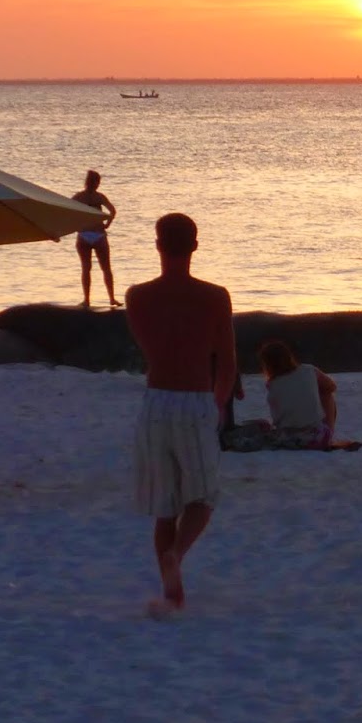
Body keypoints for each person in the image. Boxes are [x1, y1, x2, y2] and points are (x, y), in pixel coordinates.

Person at [124, 212, 239, 618]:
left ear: (158, 245)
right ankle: (177, 553)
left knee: (165, 506)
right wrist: (218, 404)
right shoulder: (214, 296)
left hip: (156, 401)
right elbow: (227, 364)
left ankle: (173, 595)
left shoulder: (137, 296)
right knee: (203, 498)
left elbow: (151, 348)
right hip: (194, 399)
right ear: (195, 245)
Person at [258, 340, 338, 446]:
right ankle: (328, 435)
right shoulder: (308, 370)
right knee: (326, 393)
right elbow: (332, 387)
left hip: (287, 438)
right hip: (316, 438)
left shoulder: (272, 384)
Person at [72, 170, 120, 308]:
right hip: (98, 234)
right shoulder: (99, 197)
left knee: (86, 268)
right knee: (105, 268)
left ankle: (87, 300)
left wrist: (75, 226)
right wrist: (107, 224)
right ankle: (111, 298)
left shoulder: (78, 197)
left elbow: (67, 211)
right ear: (97, 183)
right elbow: (112, 211)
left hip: (84, 235)